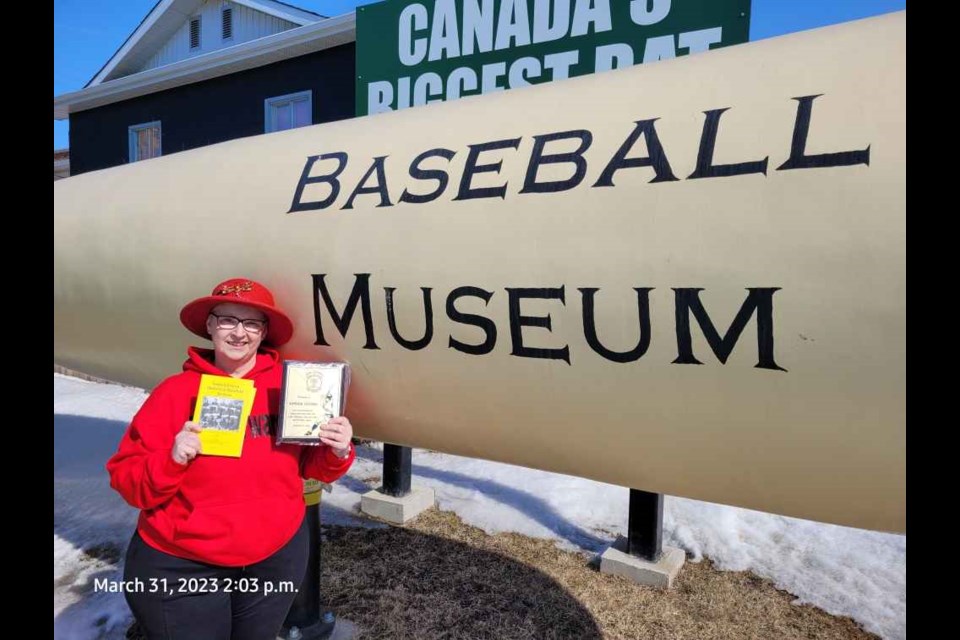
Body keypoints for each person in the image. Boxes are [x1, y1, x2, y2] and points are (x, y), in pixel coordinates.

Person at [106, 278, 355, 640]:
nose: (239, 333)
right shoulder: (174, 394)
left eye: (252, 323)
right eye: (228, 320)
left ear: (264, 332)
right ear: (210, 325)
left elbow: (310, 467)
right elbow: (128, 482)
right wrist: (172, 459)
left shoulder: (290, 389)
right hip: (184, 566)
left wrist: (338, 450)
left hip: (273, 560)